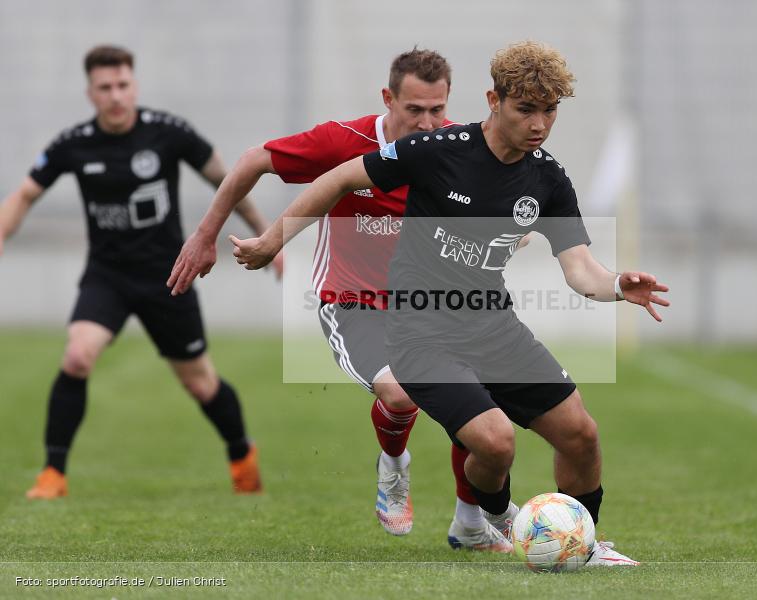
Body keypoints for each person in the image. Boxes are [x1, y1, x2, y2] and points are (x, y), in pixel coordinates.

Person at [229, 41, 670, 566]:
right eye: (525, 109)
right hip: (419, 333)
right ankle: (507, 519)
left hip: (493, 328)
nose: (539, 124)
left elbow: (580, 270)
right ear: (493, 99)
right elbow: (340, 177)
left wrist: (619, 284)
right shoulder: (440, 149)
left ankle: (582, 542)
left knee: (581, 434)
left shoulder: (547, 178)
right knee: (497, 442)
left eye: (549, 110)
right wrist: (273, 241)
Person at [168, 48, 510, 551]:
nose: (428, 122)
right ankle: (394, 466)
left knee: (479, 411)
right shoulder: (342, 141)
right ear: (388, 98)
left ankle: (470, 523)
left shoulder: (459, 147)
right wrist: (204, 235)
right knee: (399, 392)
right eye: (414, 110)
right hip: (354, 301)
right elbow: (251, 162)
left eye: (437, 110)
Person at [0, 45, 276, 499]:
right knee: (77, 356)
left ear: (135, 86)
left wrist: (268, 237)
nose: (115, 95)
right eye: (105, 88)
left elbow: (229, 182)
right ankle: (53, 474)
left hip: (169, 276)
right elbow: (25, 195)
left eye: (123, 85)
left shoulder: (168, 133)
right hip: (107, 276)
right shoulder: (73, 143)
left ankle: (241, 454)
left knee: (200, 383)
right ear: (90, 92)